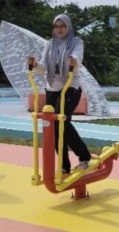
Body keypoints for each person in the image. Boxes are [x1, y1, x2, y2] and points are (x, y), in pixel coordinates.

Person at [27, 14, 92, 174]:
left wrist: (74, 61)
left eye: (63, 26)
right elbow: (43, 67)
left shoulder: (76, 42)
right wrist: (35, 64)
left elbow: (77, 57)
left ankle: (84, 156)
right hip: (52, 89)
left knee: (60, 122)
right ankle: (64, 166)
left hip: (70, 87)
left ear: (68, 27)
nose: (60, 29)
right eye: (57, 26)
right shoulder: (50, 44)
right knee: (54, 127)